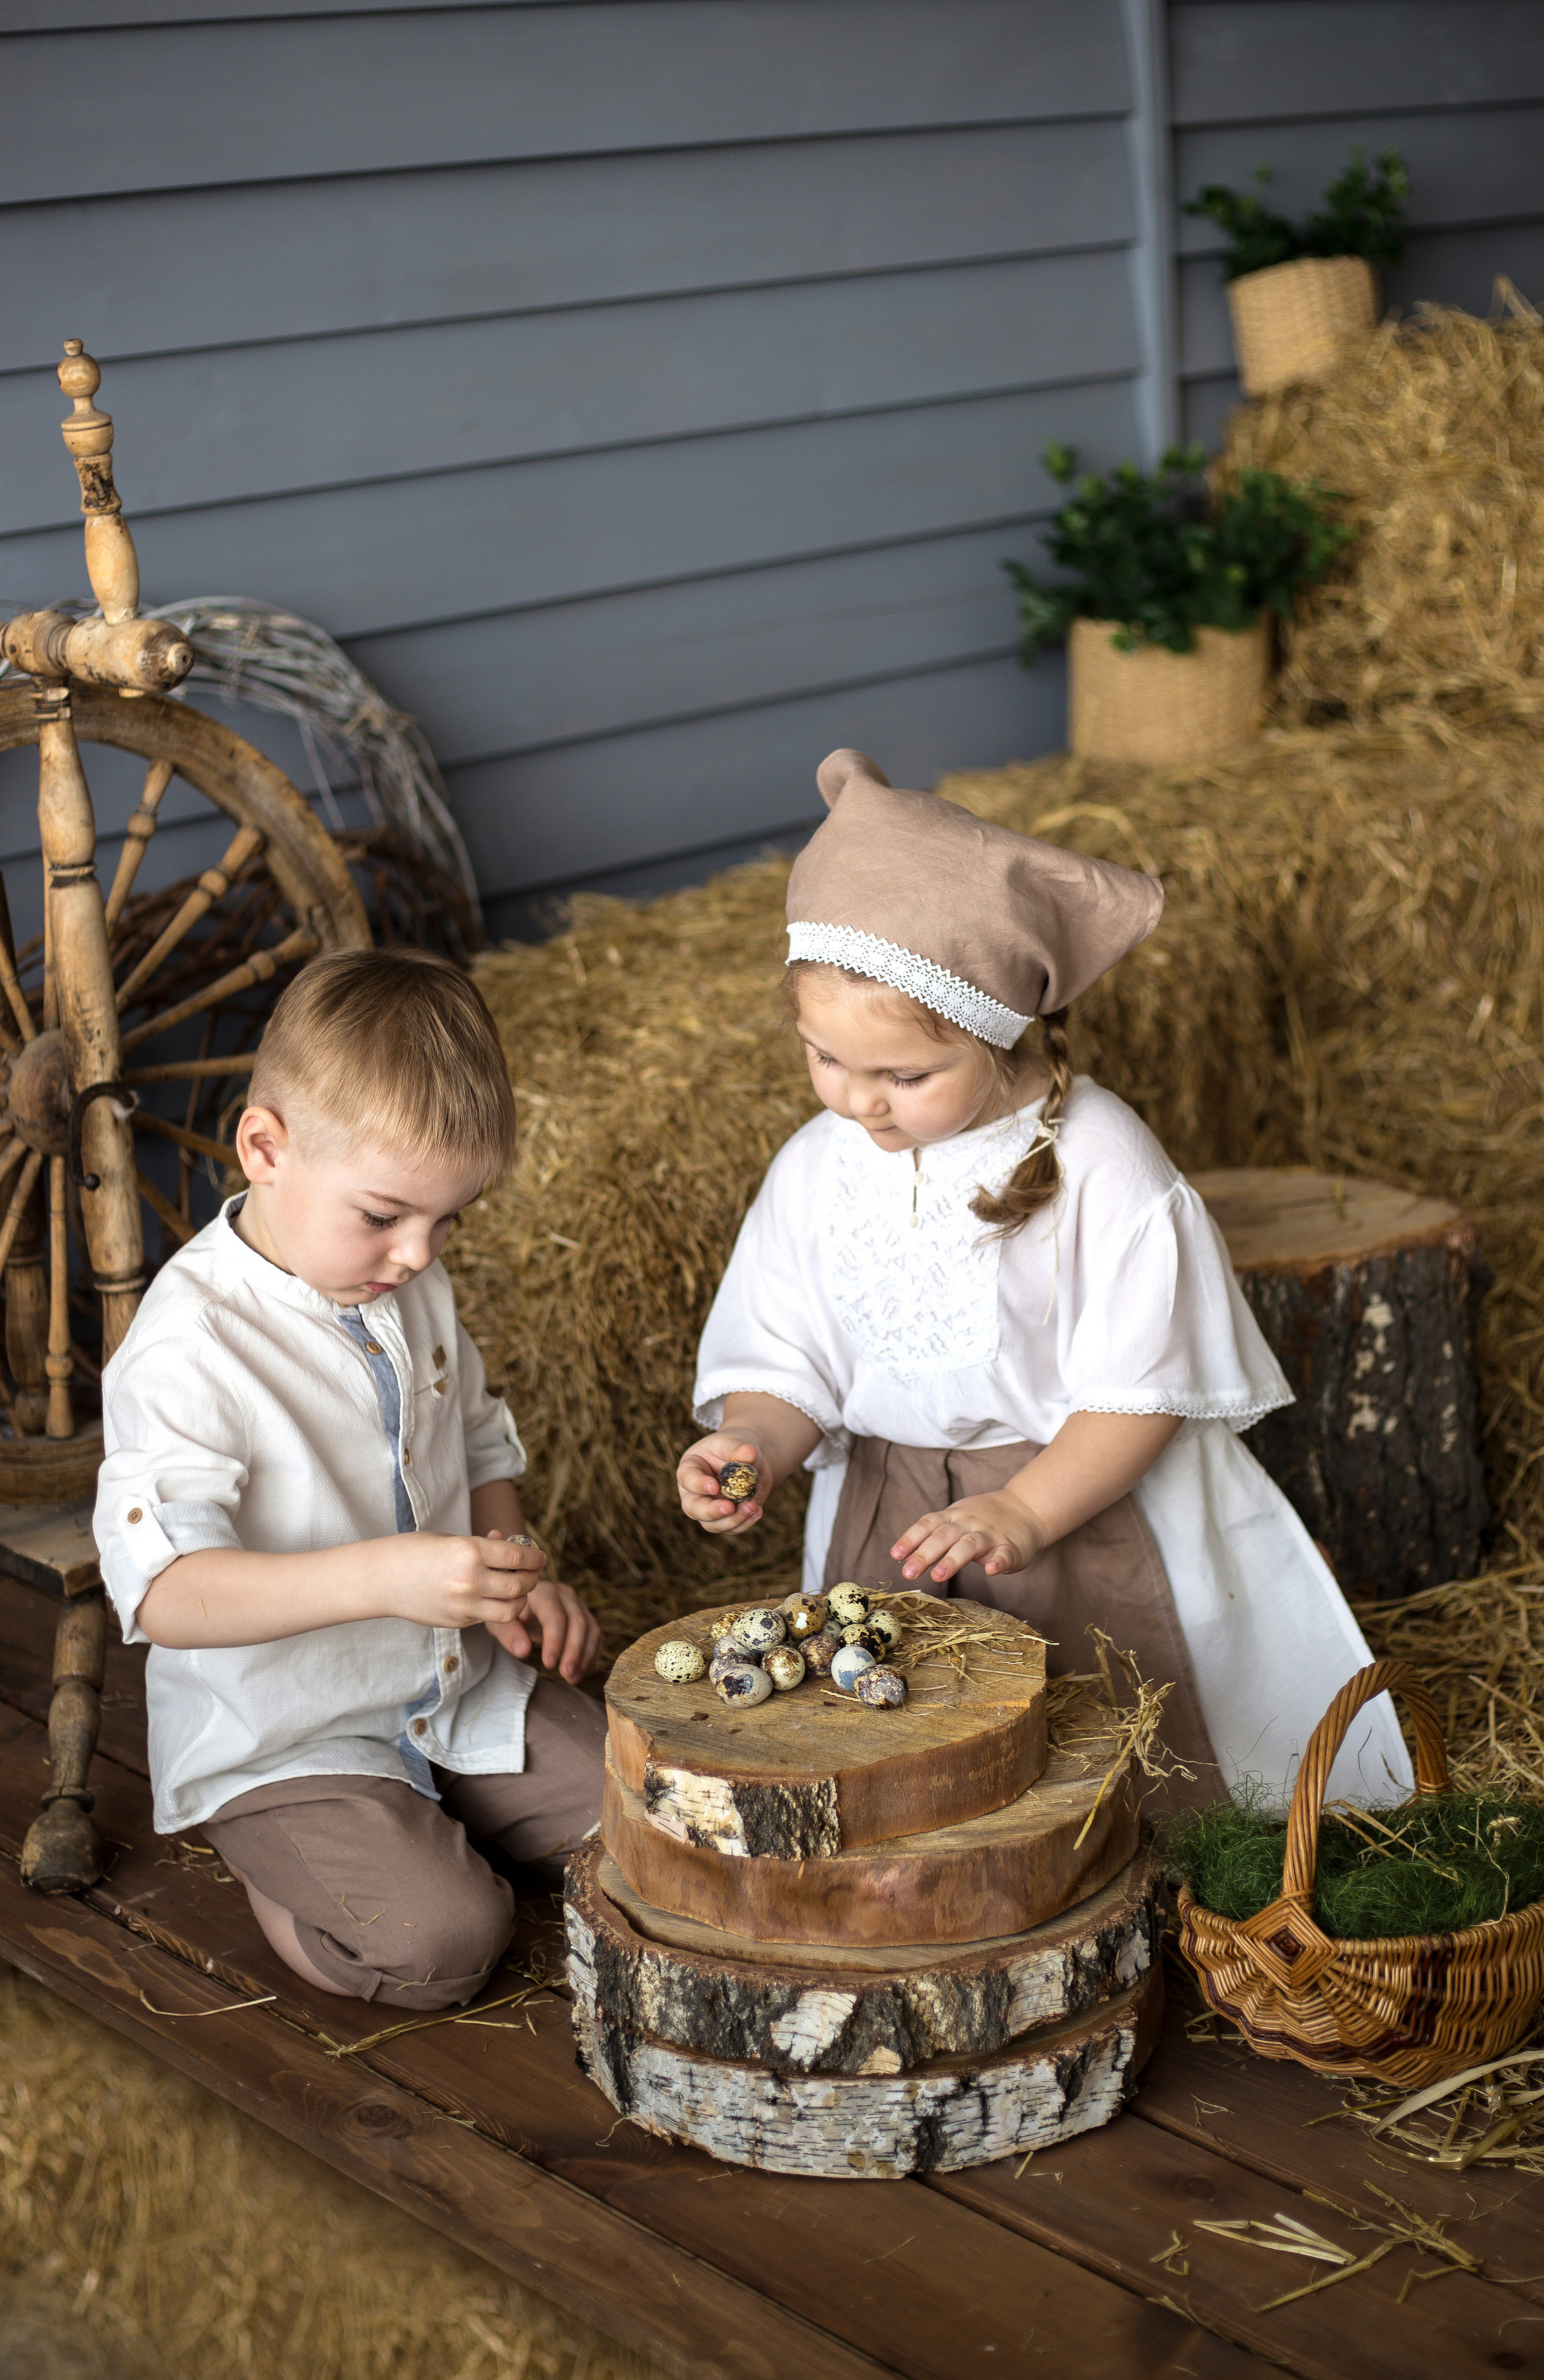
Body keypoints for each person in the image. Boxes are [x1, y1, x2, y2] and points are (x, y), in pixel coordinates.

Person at [676, 750, 1410, 1807]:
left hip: (1082, 1516)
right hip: (889, 1524)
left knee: (1117, 1755)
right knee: (917, 1765)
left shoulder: (1099, 1161)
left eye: (905, 1076)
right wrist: (754, 1444)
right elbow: (787, 1357)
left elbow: (1141, 1391)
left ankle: (1166, 1875)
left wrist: (1022, 1510)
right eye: (823, 1057)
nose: (858, 1102)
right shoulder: (816, 1165)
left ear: (997, 1030)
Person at [94, 948, 605, 2010]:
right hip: (295, 1729)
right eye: (383, 1217)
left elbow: (474, 1439)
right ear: (265, 1149)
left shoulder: (405, 1284)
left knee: (653, 1815)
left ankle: (436, 1817)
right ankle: (279, 1852)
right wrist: (388, 1577)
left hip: (452, 1682)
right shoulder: (189, 1347)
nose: (418, 1254)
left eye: (449, 1219)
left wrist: (516, 1573)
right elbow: (165, 1593)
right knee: (442, 1943)